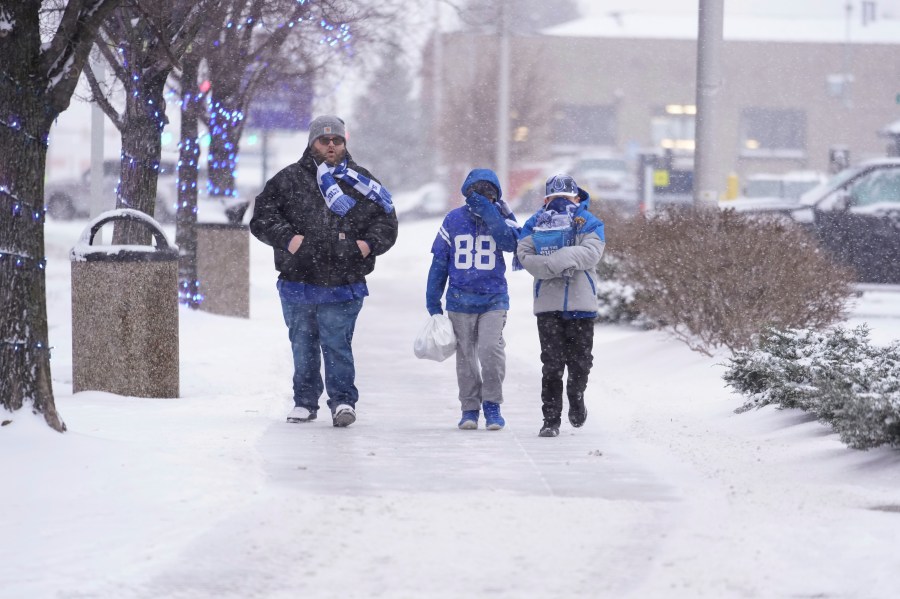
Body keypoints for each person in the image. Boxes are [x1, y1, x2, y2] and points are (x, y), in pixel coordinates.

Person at [250, 115, 398, 427]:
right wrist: (289, 240)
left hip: (344, 283)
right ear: (312, 142)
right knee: (302, 346)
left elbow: (387, 221)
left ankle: (343, 401)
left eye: (337, 140)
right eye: (324, 140)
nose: (331, 146)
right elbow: (261, 218)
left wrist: (366, 245)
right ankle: (304, 401)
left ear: (345, 143)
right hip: (297, 281)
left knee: (336, 344)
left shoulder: (363, 182)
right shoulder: (287, 181)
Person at [426, 169, 520, 430]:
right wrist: (433, 299)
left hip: (494, 299)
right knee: (466, 357)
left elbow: (511, 244)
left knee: (490, 351)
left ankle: (492, 405)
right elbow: (440, 260)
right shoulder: (454, 219)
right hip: (460, 300)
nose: (482, 196)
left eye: (489, 192)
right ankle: (469, 408)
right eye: (477, 191)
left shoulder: (503, 218)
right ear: (467, 192)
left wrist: (491, 214)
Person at [516, 174, 605, 438]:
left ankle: (576, 397)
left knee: (581, 363)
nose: (559, 204)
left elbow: (592, 253)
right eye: (554, 199)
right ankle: (550, 420)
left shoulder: (589, 222)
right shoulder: (534, 223)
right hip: (548, 305)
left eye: (565, 199)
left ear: (577, 198)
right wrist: (551, 267)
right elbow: (524, 255)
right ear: (545, 200)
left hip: (582, 303)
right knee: (552, 365)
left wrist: (560, 258)